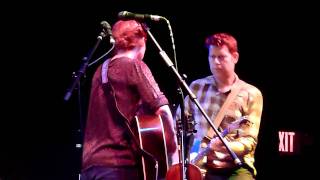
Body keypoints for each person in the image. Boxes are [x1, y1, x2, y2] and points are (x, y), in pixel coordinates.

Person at [80, 19, 178, 180]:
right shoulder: (135, 66)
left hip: (91, 168)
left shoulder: (100, 70)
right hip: (120, 167)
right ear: (143, 40)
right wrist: (173, 154)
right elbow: (163, 111)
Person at [175, 32, 263, 180]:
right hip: (199, 164)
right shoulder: (197, 87)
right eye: (212, 57)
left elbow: (249, 141)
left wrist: (226, 148)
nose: (216, 62)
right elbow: (177, 124)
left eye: (221, 57)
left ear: (235, 57)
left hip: (235, 166)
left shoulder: (251, 93)